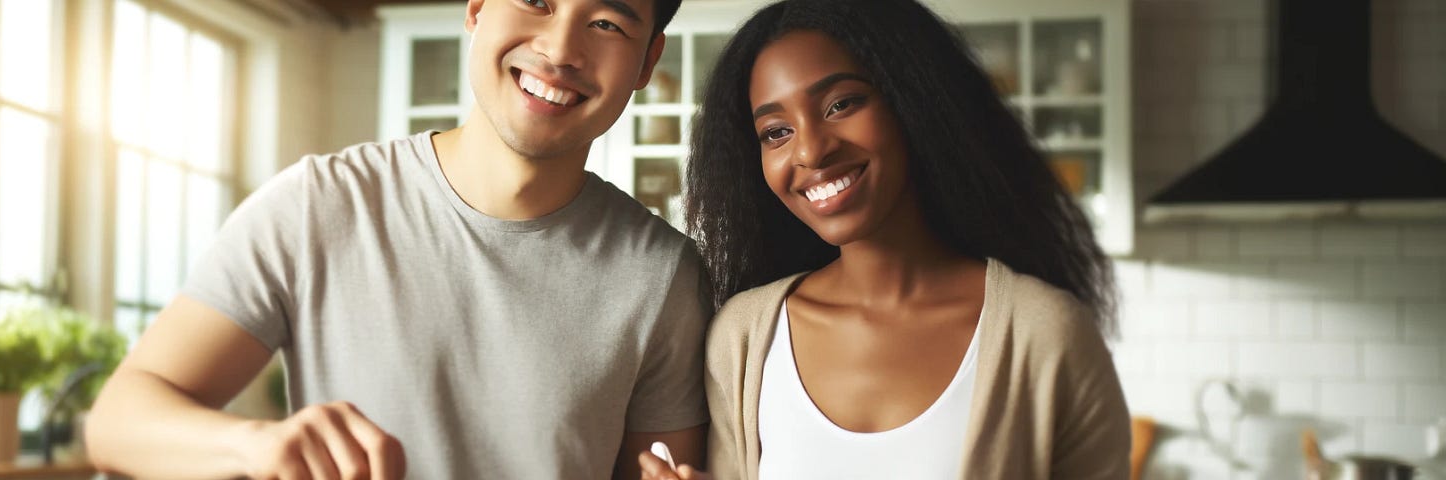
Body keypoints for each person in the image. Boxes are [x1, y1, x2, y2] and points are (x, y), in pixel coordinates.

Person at [85, 0, 714, 478]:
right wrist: (256, 445)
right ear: (476, 8)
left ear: (648, 62)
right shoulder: (318, 205)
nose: (560, 48)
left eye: (606, 23)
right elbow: (117, 421)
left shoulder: (663, 274)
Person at [638, 0, 1128, 478]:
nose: (811, 149)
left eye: (842, 104)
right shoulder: (743, 339)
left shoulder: (1045, 335)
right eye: (776, 132)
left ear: (913, 101)